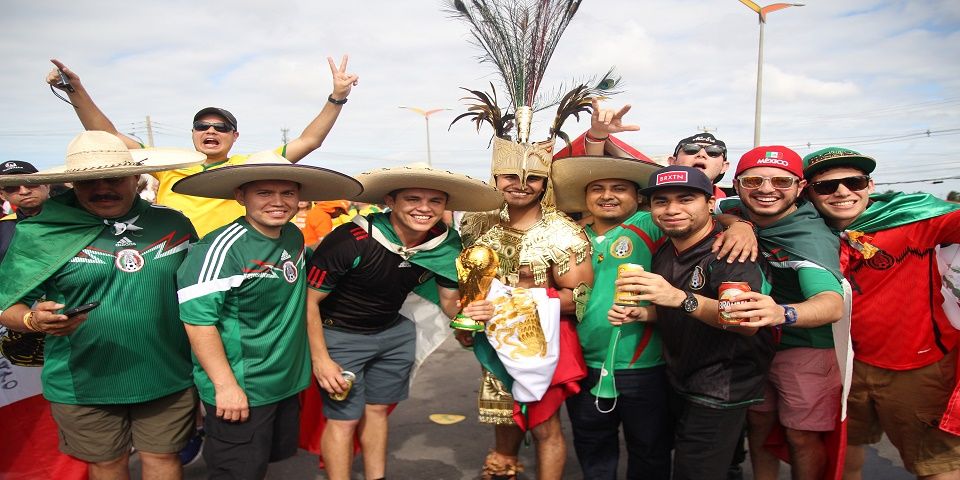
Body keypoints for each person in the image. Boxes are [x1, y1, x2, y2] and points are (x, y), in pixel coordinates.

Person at [0, 131, 205, 479]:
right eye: (88, 181)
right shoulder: (42, 231)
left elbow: (198, 291)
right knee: (107, 464)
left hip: (167, 372)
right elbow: (6, 305)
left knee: (164, 459)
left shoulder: (173, 222)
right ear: (72, 184)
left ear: (137, 178)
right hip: (84, 379)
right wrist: (34, 320)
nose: (102, 188)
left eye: (114, 178)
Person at [172, 151, 361, 479]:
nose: (278, 202)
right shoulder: (222, 248)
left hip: (284, 383)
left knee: (258, 466)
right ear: (240, 196)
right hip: (242, 387)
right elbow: (198, 323)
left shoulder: (293, 236)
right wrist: (225, 386)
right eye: (264, 192)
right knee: (236, 472)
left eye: (287, 192)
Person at [305, 165, 501, 480]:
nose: (424, 209)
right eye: (412, 198)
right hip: (340, 335)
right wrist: (321, 359)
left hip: (394, 334)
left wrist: (470, 315)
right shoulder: (351, 239)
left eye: (435, 201)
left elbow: (450, 303)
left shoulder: (445, 242)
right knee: (343, 419)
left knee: (378, 412)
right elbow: (308, 301)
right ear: (390, 201)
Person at [46, 56, 358, 237]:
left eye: (221, 127)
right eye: (202, 126)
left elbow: (310, 141)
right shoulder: (169, 162)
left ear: (234, 137)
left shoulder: (251, 164)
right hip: (172, 255)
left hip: (229, 260)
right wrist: (76, 91)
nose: (210, 130)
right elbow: (108, 134)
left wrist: (337, 97)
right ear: (193, 133)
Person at [802, 147, 960, 479]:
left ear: (870, 185)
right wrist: (735, 224)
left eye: (853, 181)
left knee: (936, 466)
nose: (842, 192)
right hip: (844, 368)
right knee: (843, 457)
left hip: (916, 367)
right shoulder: (806, 232)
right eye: (826, 186)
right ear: (809, 193)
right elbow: (733, 208)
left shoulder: (913, 220)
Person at [609, 165, 775, 480]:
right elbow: (680, 309)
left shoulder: (729, 252)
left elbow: (745, 321)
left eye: (686, 199)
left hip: (722, 384)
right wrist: (644, 313)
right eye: (661, 201)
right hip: (680, 377)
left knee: (695, 471)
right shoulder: (666, 252)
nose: (672, 209)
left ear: (711, 204)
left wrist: (677, 298)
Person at [720, 145, 846, 480]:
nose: (765, 189)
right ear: (737, 184)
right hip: (757, 346)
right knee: (759, 425)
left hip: (805, 347)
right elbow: (715, 206)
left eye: (781, 181)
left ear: (800, 188)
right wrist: (739, 224)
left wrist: (781, 313)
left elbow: (831, 303)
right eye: (753, 181)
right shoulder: (738, 209)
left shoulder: (809, 236)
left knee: (800, 435)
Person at [551, 155, 669, 478]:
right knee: (594, 453)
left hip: (643, 368)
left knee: (649, 453)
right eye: (597, 188)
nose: (607, 195)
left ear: (638, 196)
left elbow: (702, 218)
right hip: (584, 367)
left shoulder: (649, 224)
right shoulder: (570, 237)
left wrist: (738, 225)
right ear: (586, 197)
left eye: (619, 188)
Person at [0, 161, 49, 264]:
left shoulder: (77, 217)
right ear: (2, 195)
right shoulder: (3, 226)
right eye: (11, 187)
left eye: (30, 183)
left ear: (46, 185)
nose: (24, 191)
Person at [668, 133, 731, 199]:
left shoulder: (731, 208)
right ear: (673, 162)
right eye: (691, 149)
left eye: (713, 151)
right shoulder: (656, 196)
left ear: (724, 166)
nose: (701, 154)